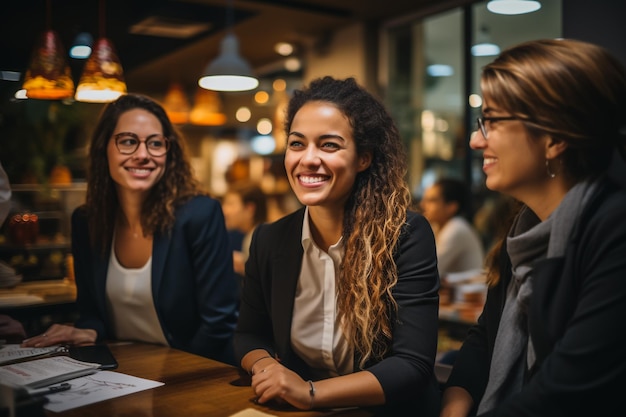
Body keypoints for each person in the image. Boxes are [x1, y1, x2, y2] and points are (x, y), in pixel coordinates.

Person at [440, 38, 626, 417]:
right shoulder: (525, 229)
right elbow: (483, 340)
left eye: (491, 121)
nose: (477, 140)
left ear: (555, 138)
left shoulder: (615, 229)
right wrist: (454, 407)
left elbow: (566, 391)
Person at [234, 76, 441, 416]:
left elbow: (412, 365)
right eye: (297, 144)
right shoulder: (269, 240)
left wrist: (309, 392)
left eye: (329, 145)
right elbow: (248, 335)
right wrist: (266, 368)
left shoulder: (405, 234)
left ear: (364, 158)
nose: (308, 159)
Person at [21, 94, 239, 364]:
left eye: (155, 144)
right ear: (104, 149)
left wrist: (171, 377)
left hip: (192, 373)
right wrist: (87, 330)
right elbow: (92, 313)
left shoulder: (199, 214)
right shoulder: (86, 221)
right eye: (127, 141)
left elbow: (218, 324)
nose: (143, 155)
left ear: (168, 153)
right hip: (120, 371)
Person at [420, 178, 484, 278]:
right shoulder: (437, 226)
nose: (423, 205)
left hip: (469, 291)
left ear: (451, 207)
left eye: (431, 200)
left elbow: (427, 269)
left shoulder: (456, 228)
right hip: (455, 290)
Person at [221, 181, 268, 277]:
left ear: (250, 209)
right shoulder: (258, 236)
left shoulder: (257, 240)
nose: (224, 210)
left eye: (231, 204)